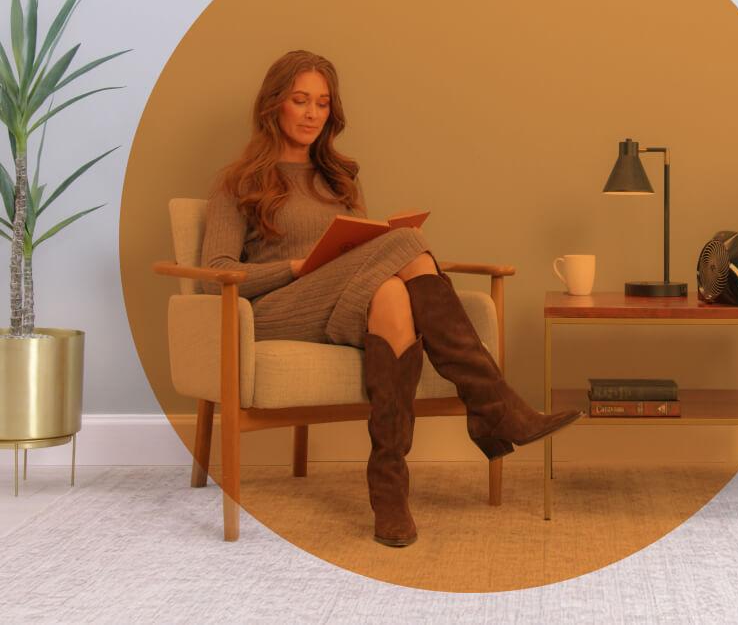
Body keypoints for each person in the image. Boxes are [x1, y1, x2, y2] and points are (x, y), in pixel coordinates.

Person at [200, 50, 582, 547]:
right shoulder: (238, 182)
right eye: (300, 101)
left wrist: (352, 251)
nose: (312, 113)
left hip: (338, 307)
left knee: (390, 293)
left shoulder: (339, 178)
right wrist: (296, 266)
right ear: (274, 106)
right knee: (403, 245)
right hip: (274, 313)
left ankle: (390, 489)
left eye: (322, 103)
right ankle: (494, 405)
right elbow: (217, 276)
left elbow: (361, 255)